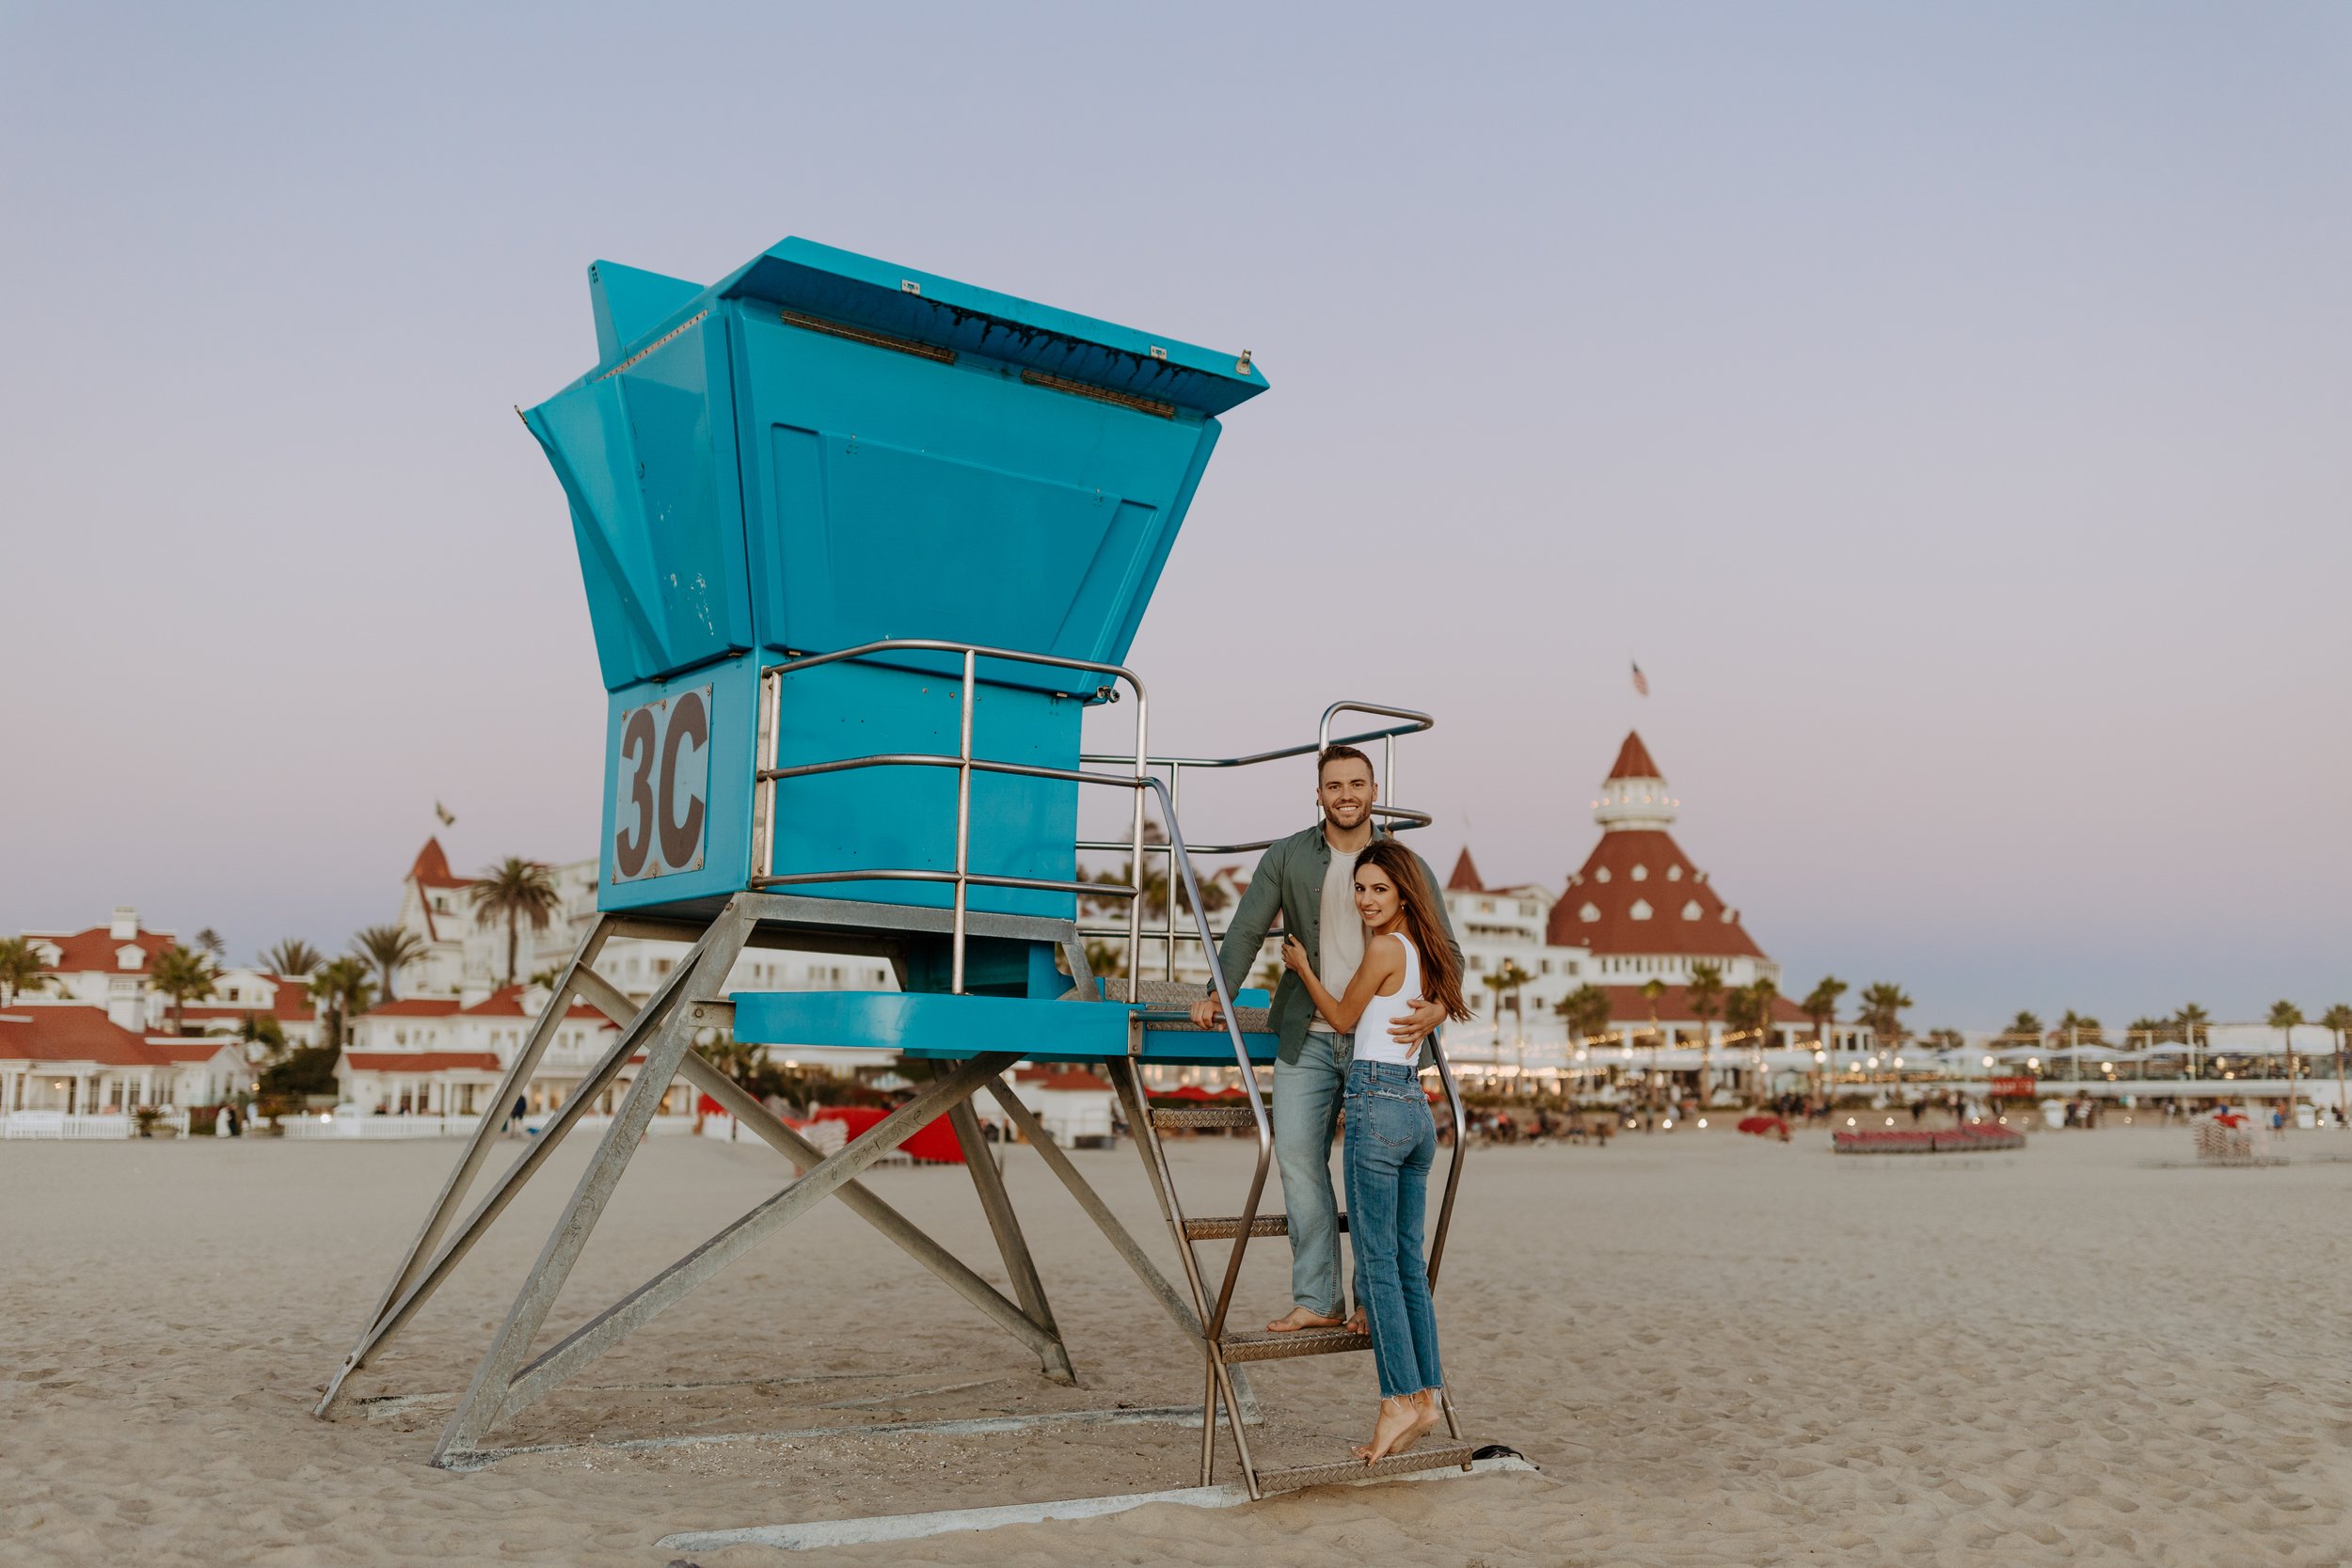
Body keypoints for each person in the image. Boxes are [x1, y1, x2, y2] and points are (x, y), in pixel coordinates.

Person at [1190, 745, 1461, 1335]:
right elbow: (1245, 930)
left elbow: (1448, 950)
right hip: (1306, 1036)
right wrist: (1219, 993)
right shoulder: (1286, 856)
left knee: (1372, 1175)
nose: (1346, 795)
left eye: (1356, 784)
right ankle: (1319, 1298)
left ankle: (1372, 1301)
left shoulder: (1401, 863)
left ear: (1373, 789)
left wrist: (1440, 1006)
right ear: (1318, 794)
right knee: (1296, 1159)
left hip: (1377, 1045)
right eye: (1333, 785)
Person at [1280, 836, 1470, 1463]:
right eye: (1360, 888)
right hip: (1415, 1111)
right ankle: (1427, 1394)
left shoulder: (1388, 946)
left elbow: (1339, 1017)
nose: (1365, 899)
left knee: (1382, 1264)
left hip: (1375, 1103)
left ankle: (1397, 1400)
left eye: (1378, 889)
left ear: (1404, 892)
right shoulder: (1425, 949)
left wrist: (1302, 967)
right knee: (1407, 1266)